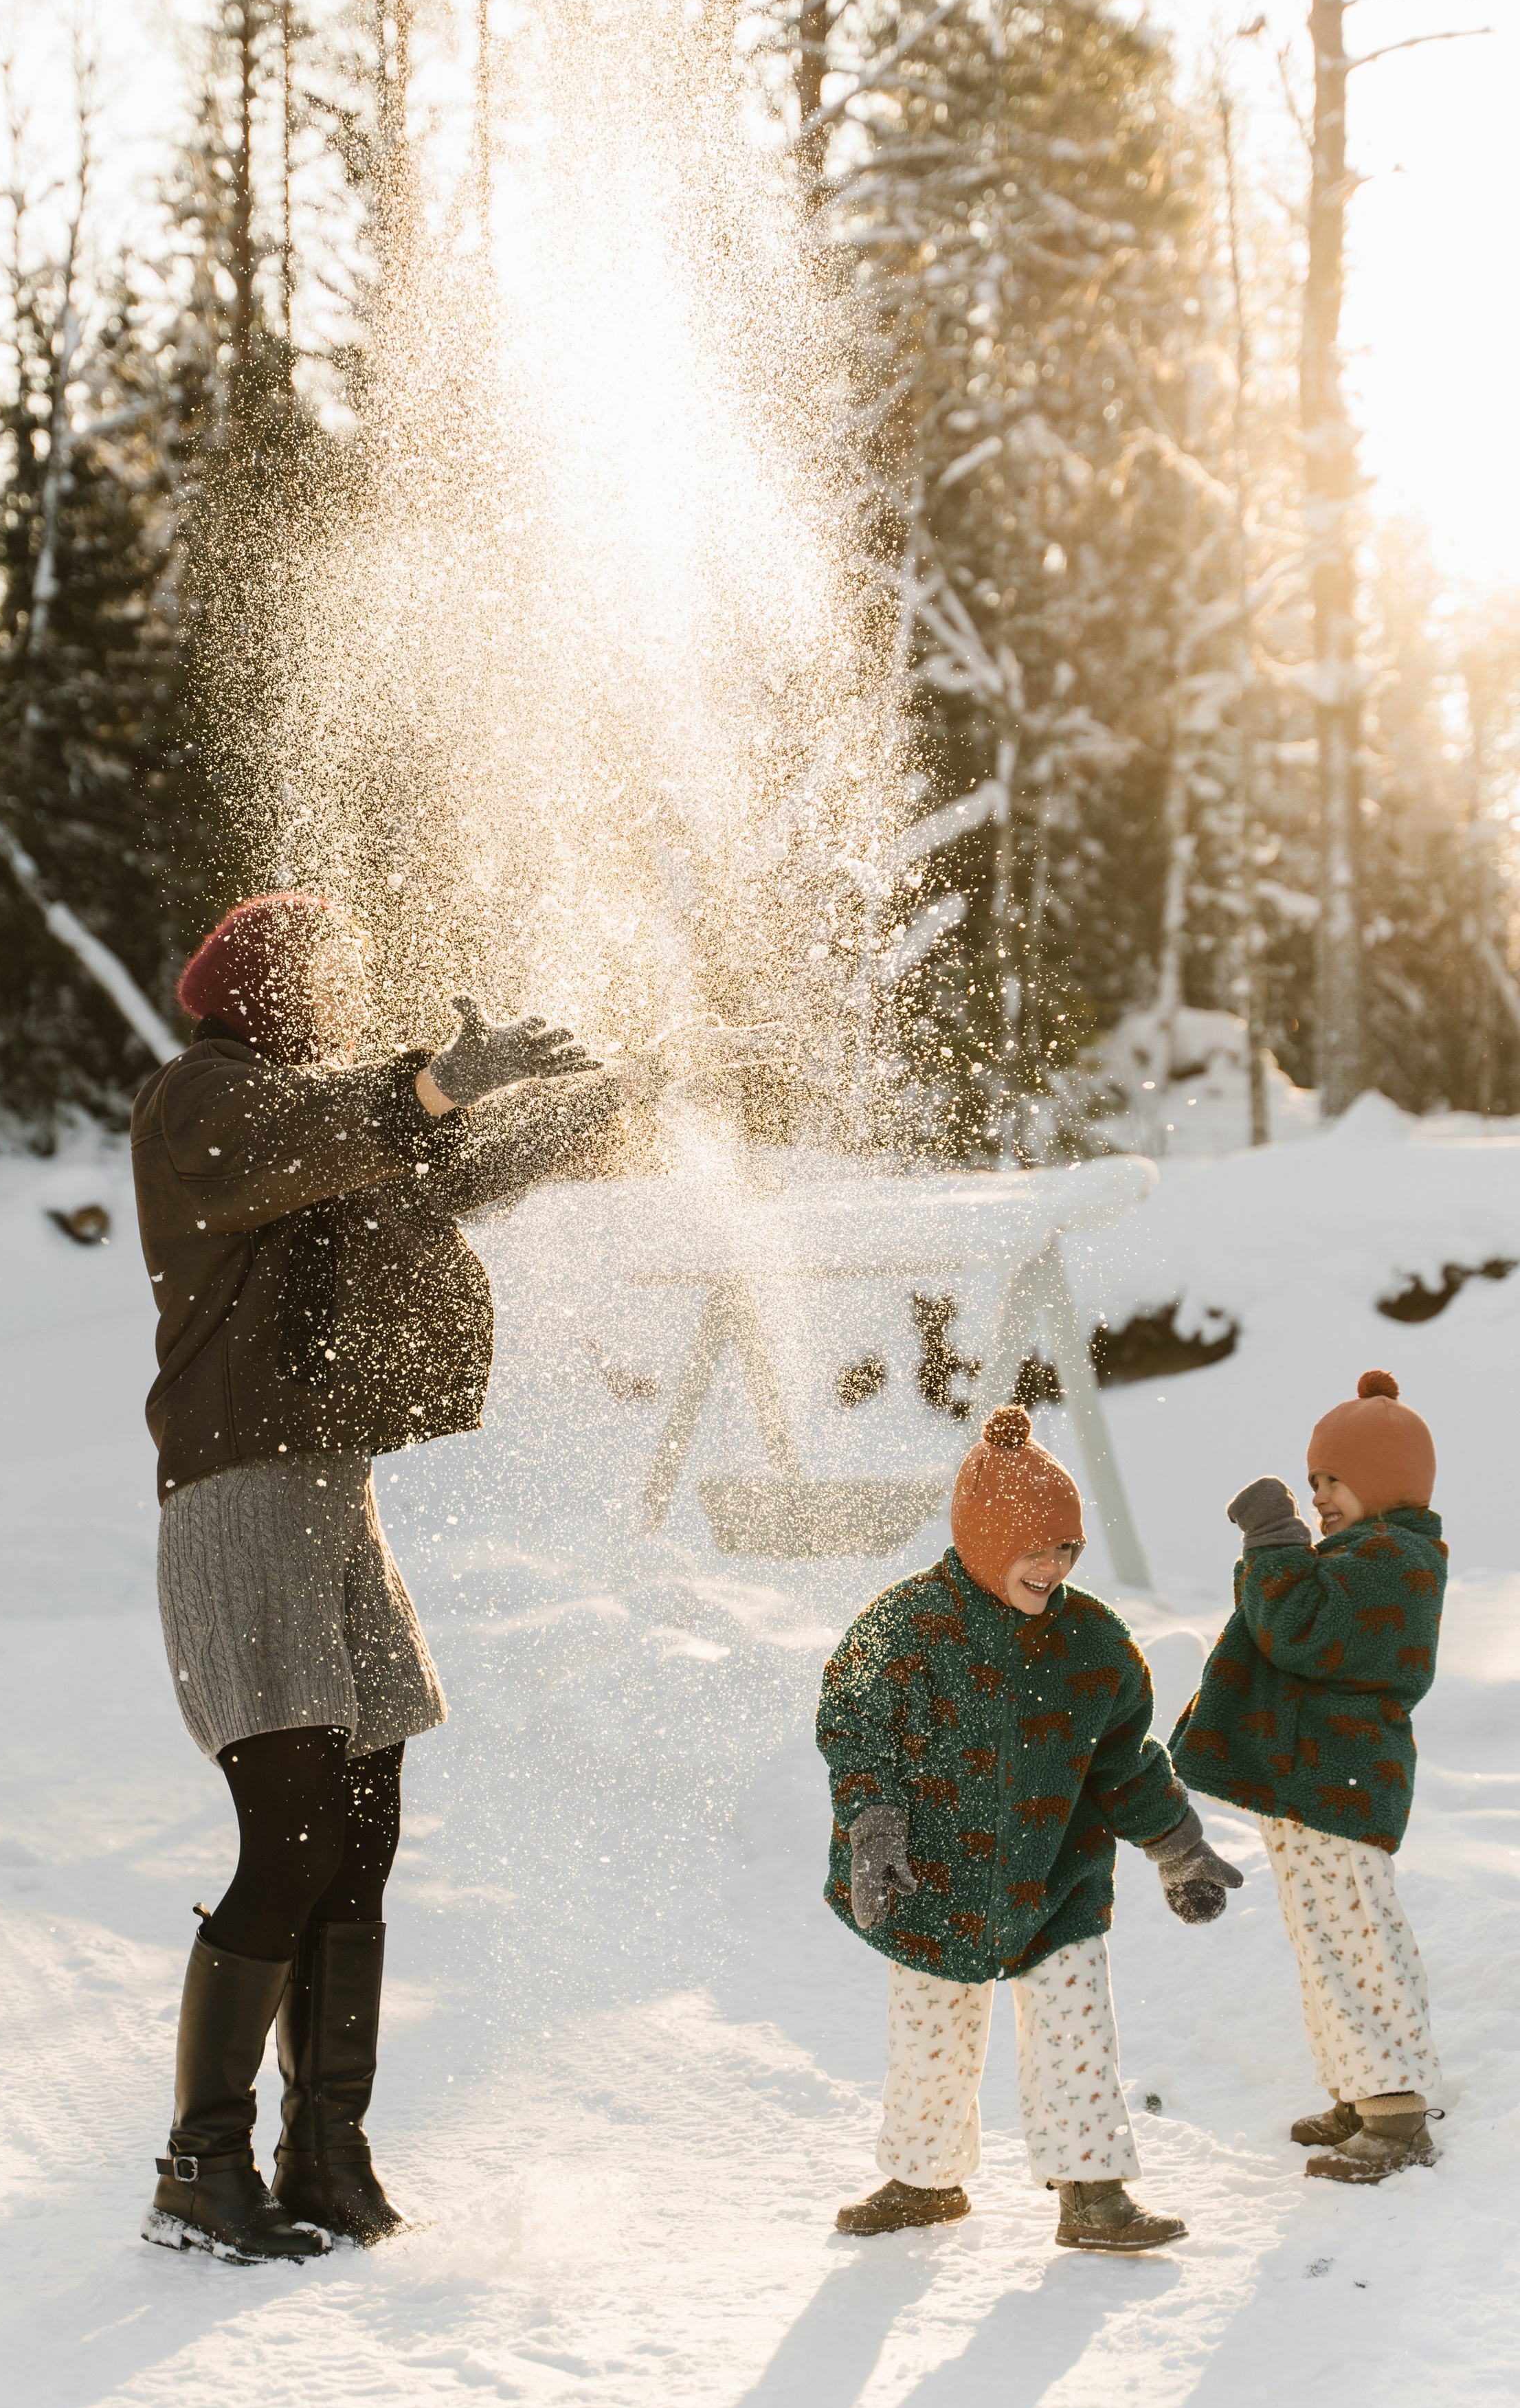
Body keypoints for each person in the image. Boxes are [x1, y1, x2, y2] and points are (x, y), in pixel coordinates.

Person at [131, 890, 779, 2262]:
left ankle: (326, 2151)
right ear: (267, 984)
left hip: (329, 1502)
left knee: (361, 1828)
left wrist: (628, 1082)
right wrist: (423, 1081)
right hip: (239, 1508)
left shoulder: (337, 1120)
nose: (351, 996)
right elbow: (318, 1134)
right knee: (292, 1834)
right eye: (334, 974)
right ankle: (198, 2165)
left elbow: (452, 1162)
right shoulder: (200, 1105)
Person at [816, 1405, 1240, 2251]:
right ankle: (923, 2179)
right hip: (931, 1878)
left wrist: (1176, 1846)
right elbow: (855, 1727)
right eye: (1034, 1545)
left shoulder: (1092, 1643)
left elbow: (1127, 1759)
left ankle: (1093, 2193)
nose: (1054, 1565)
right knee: (933, 2033)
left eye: (1068, 1548)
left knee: (1076, 2030)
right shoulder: (905, 1627)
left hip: (1058, 1878)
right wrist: (873, 1828)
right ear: (980, 1538)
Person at [1167, 1369, 1446, 2185]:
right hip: (1308, 1782)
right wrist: (1283, 1549)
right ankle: (1362, 2093)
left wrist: (1274, 1541)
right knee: (1322, 1938)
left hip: (1338, 1784)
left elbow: (1298, 1631)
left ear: (1385, 1481)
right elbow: (1278, 1614)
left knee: (1356, 1935)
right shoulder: (1363, 1554)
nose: (1319, 1495)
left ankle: (1394, 2112)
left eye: (1334, 1480)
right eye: (1315, 1479)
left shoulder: (1397, 1561)